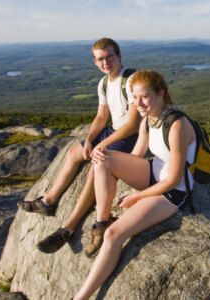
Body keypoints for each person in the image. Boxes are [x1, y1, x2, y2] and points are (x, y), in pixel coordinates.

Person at [72, 70, 197, 299]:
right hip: (154, 173)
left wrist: (136, 197)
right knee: (103, 160)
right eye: (134, 97)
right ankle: (102, 221)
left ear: (161, 94)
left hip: (173, 191)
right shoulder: (148, 120)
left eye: (145, 97)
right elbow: (138, 155)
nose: (138, 103)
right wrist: (106, 156)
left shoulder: (177, 124)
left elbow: (173, 179)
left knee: (114, 235)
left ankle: (80, 297)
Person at [17, 38, 141, 253]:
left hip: (131, 136)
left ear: (119, 56)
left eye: (109, 57)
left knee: (97, 165)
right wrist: (91, 140)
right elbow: (102, 116)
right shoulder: (104, 83)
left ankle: (69, 228)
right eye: (100, 59)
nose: (106, 62)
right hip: (114, 131)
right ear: (95, 62)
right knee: (75, 152)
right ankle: (48, 201)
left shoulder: (131, 80)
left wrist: (100, 145)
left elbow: (132, 125)